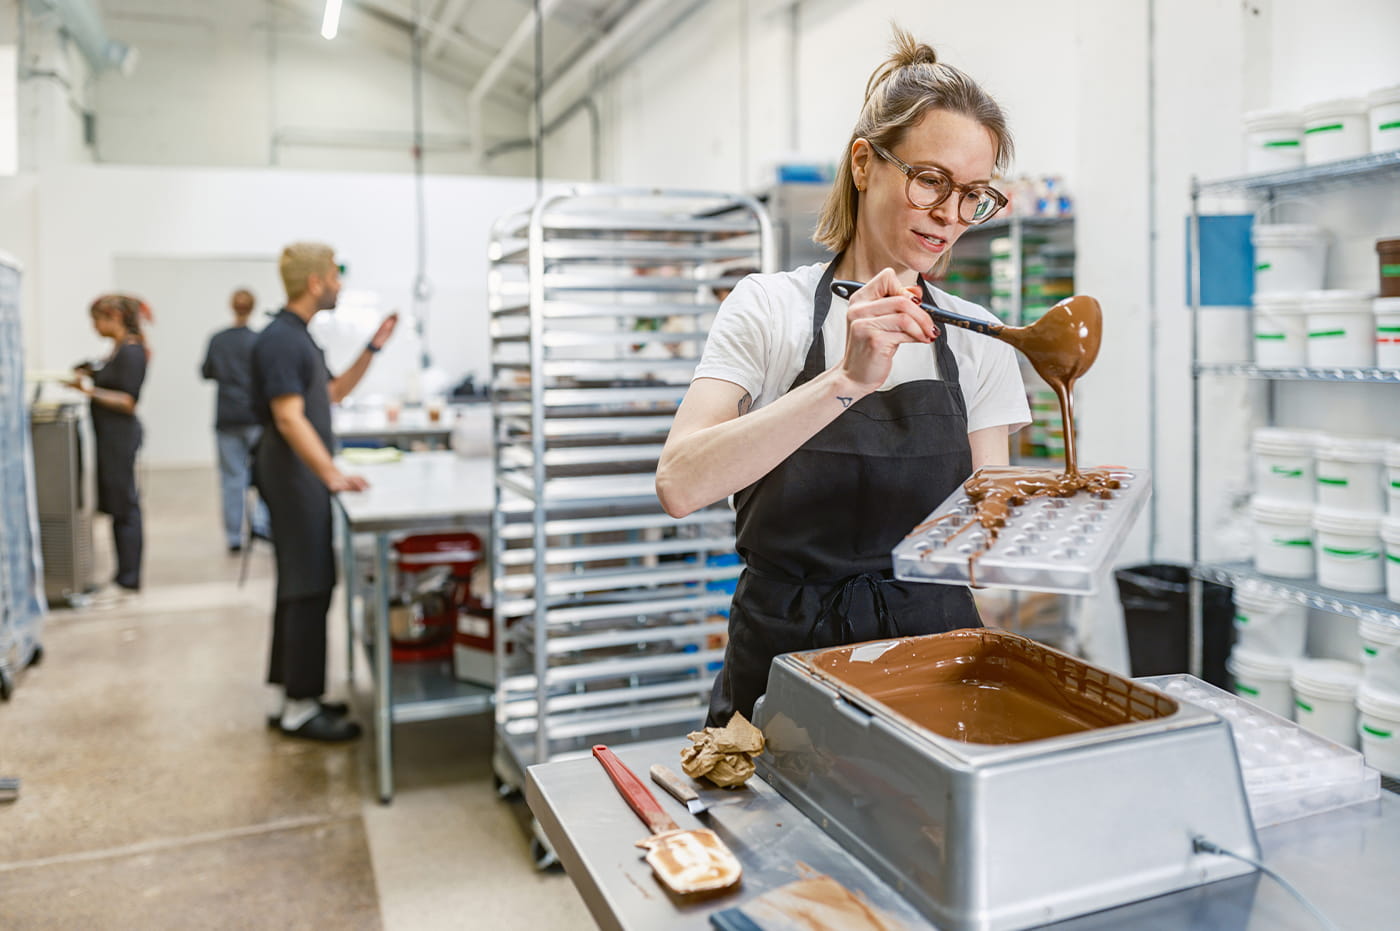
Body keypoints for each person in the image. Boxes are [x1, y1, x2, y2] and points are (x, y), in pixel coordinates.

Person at [656, 28, 1031, 726]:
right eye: (931, 180)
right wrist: (843, 380)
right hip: (783, 679)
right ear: (865, 163)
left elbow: (986, 532)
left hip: (932, 673)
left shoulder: (980, 339)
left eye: (973, 194)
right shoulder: (771, 308)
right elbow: (680, 482)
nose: (950, 216)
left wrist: (1048, 518)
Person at [251, 243, 398, 742]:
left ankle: (291, 693)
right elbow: (289, 417)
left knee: (301, 584)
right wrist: (330, 473)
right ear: (315, 282)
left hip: (300, 474)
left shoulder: (299, 338)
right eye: (335, 276)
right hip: (293, 476)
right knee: (309, 583)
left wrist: (373, 348)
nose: (339, 284)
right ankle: (299, 708)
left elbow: (332, 394)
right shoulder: (280, 340)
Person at [69, 295, 151, 594]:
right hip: (109, 437)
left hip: (120, 438)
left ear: (113, 318)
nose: (95, 327)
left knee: (125, 505)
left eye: (97, 320)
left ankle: (129, 576)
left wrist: (89, 391)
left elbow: (128, 401)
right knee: (118, 504)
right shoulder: (117, 351)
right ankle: (122, 574)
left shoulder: (132, 352)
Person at [201, 288, 272, 553]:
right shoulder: (259, 340)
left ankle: (234, 537)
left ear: (232, 306)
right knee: (264, 475)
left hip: (228, 417)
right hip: (255, 417)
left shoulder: (218, 340)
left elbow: (206, 371)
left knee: (233, 478)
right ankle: (262, 526)